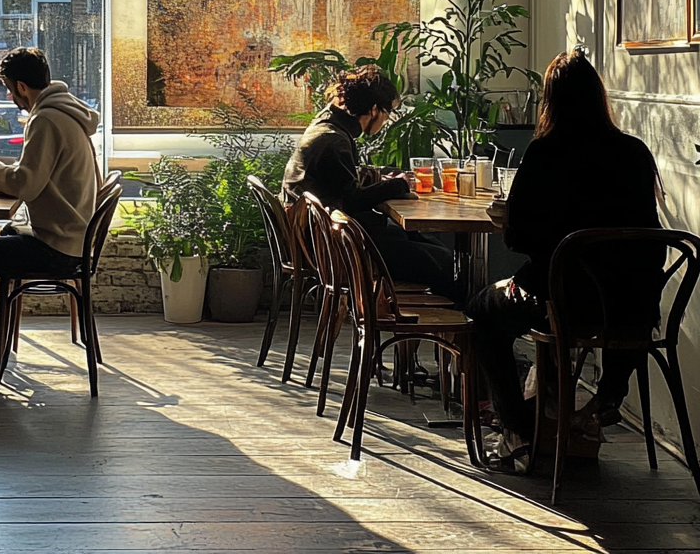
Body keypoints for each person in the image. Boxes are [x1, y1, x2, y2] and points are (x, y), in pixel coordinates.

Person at [467, 49, 664, 469]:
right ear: (599, 96)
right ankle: (608, 394)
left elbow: (518, 237)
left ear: (549, 101)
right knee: (613, 294)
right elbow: (652, 240)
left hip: (563, 299)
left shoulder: (546, 153)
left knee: (483, 309)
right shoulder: (634, 152)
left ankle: (517, 424)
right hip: (631, 307)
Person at [0, 47, 101, 373]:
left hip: (57, 247)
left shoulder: (46, 119)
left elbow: (26, 184)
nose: (11, 98)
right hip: (74, 240)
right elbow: (35, 172)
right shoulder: (66, 114)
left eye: (10, 90)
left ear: (22, 87)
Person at [281, 66, 460, 303]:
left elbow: (341, 182)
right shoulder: (333, 140)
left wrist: (382, 179)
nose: (386, 121)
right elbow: (351, 201)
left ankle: (451, 324)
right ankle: (455, 326)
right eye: (388, 113)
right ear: (374, 110)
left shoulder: (327, 125)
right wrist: (398, 186)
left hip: (323, 238)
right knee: (442, 259)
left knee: (422, 241)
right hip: (337, 248)